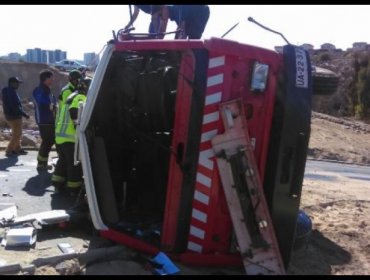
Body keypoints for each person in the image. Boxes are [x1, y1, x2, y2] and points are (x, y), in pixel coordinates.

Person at [51, 70, 83, 196]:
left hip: (61, 131)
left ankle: (57, 183)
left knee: (63, 160)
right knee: (72, 162)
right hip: (67, 133)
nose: (77, 82)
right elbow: (74, 112)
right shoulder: (71, 93)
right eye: (76, 80)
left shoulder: (70, 92)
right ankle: (73, 188)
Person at [32, 69, 57, 171]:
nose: (53, 80)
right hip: (44, 120)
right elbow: (42, 102)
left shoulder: (47, 89)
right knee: (48, 141)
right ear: (46, 79)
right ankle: (41, 164)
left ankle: (42, 163)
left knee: (48, 141)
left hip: (49, 119)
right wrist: (51, 105)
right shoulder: (39, 90)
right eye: (51, 78)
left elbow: (52, 102)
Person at [1, 77, 30, 157]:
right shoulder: (11, 92)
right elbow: (15, 106)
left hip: (11, 116)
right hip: (14, 116)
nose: (18, 85)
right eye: (17, 83)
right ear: (12, 83)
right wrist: (24, 114)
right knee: (17, 134)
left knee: (17, 133)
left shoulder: (9, 91)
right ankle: (9, 150)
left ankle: (17, 148)